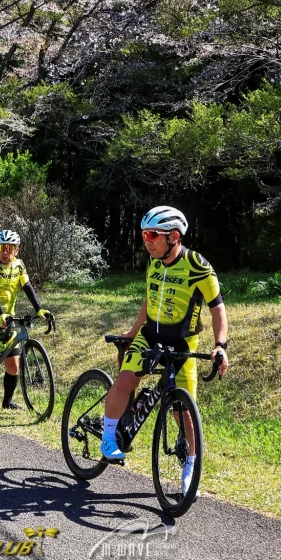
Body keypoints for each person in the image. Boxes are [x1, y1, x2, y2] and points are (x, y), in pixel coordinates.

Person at [101, 206, 229, 496]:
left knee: (185, 412)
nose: (146, 240)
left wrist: (220, 346)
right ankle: (108, 438)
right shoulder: (154, 263)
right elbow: (149, 300)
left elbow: (218, 309)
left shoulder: (198, 266)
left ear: (173, 236)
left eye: (152, 235)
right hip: (150, 336)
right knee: (125, 380)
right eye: (144, 234)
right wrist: (132, 334)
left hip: (183, 344)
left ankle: (190, 468)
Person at [0, 229, 52, 410]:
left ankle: (7, 401)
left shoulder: (19, 265)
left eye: (10, 248)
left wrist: (39, 309)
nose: (6, 252)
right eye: (2, 248)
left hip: (10, 317)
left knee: (13, 365)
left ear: (17, 250)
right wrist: (0, 314)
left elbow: (28, 286)